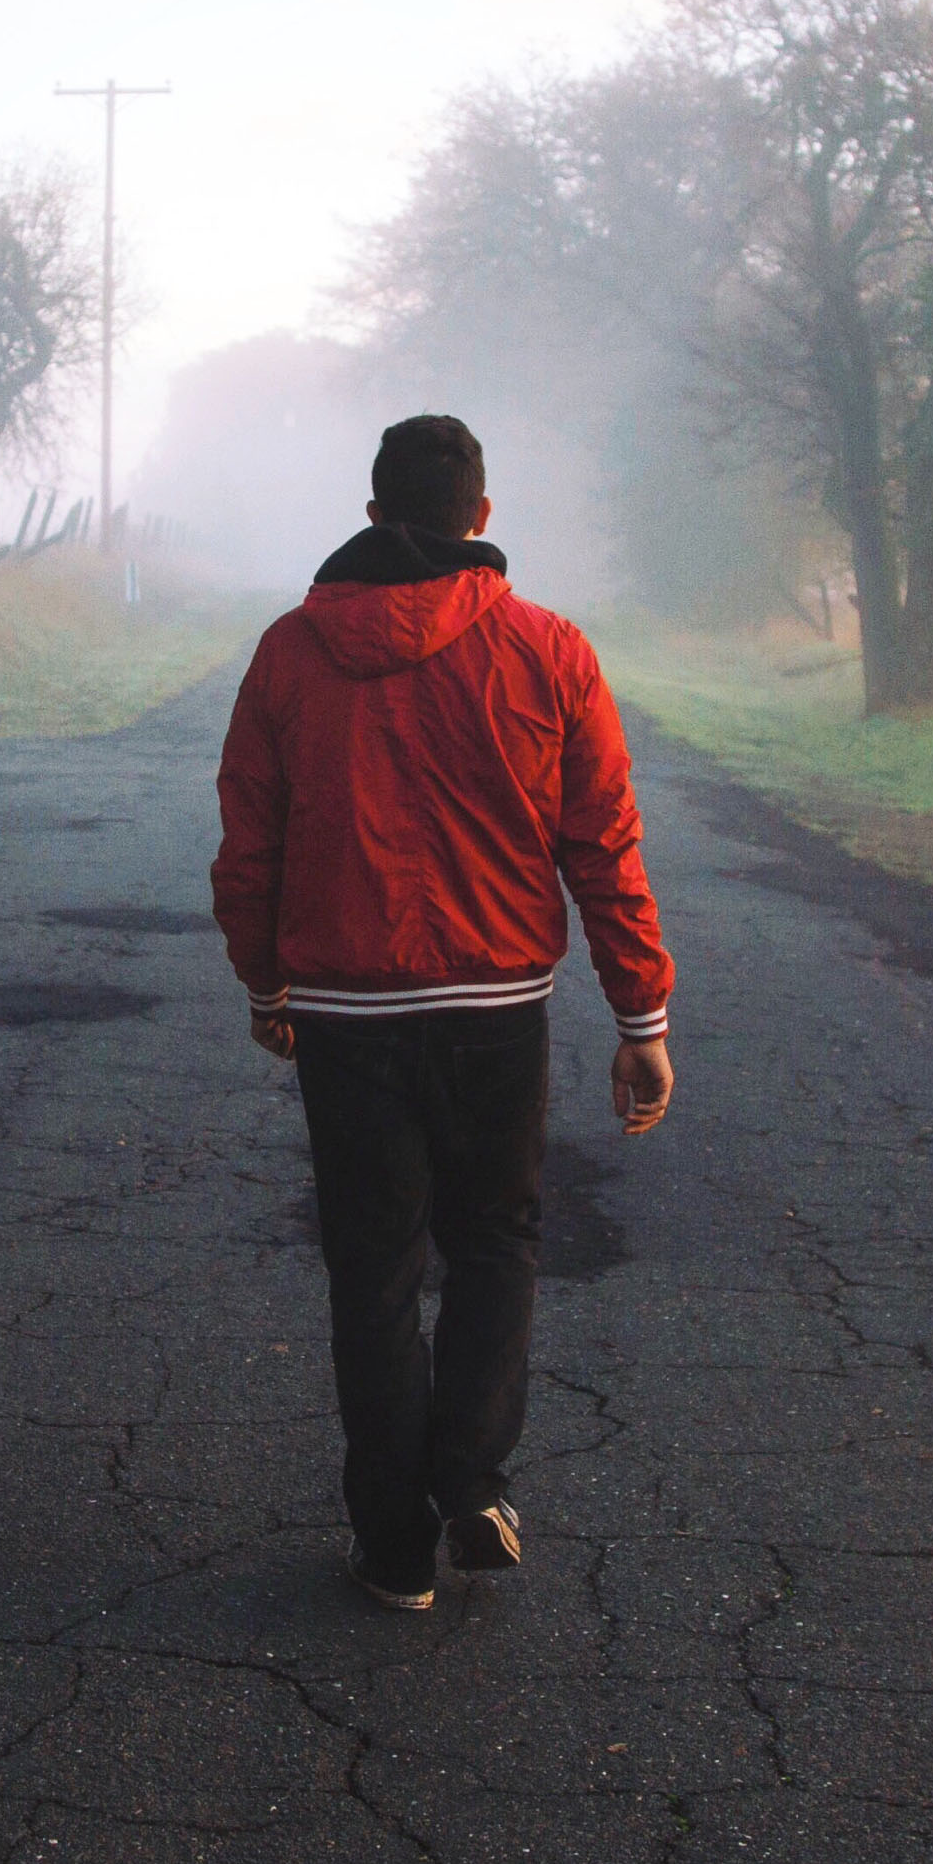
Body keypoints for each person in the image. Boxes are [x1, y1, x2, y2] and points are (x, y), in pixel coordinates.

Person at [210, 413, 677, 1613]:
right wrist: (642, 1017)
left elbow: (248, 846)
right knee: (495, 1242)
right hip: (496, 1007)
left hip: (344, 1011)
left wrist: (267, 985)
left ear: (373, 516)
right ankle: (470, 1478)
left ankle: (394, 1544)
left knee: (372, 1271)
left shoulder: (286, 654)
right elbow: (602, 842)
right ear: (481, 516)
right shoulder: (549, 649)